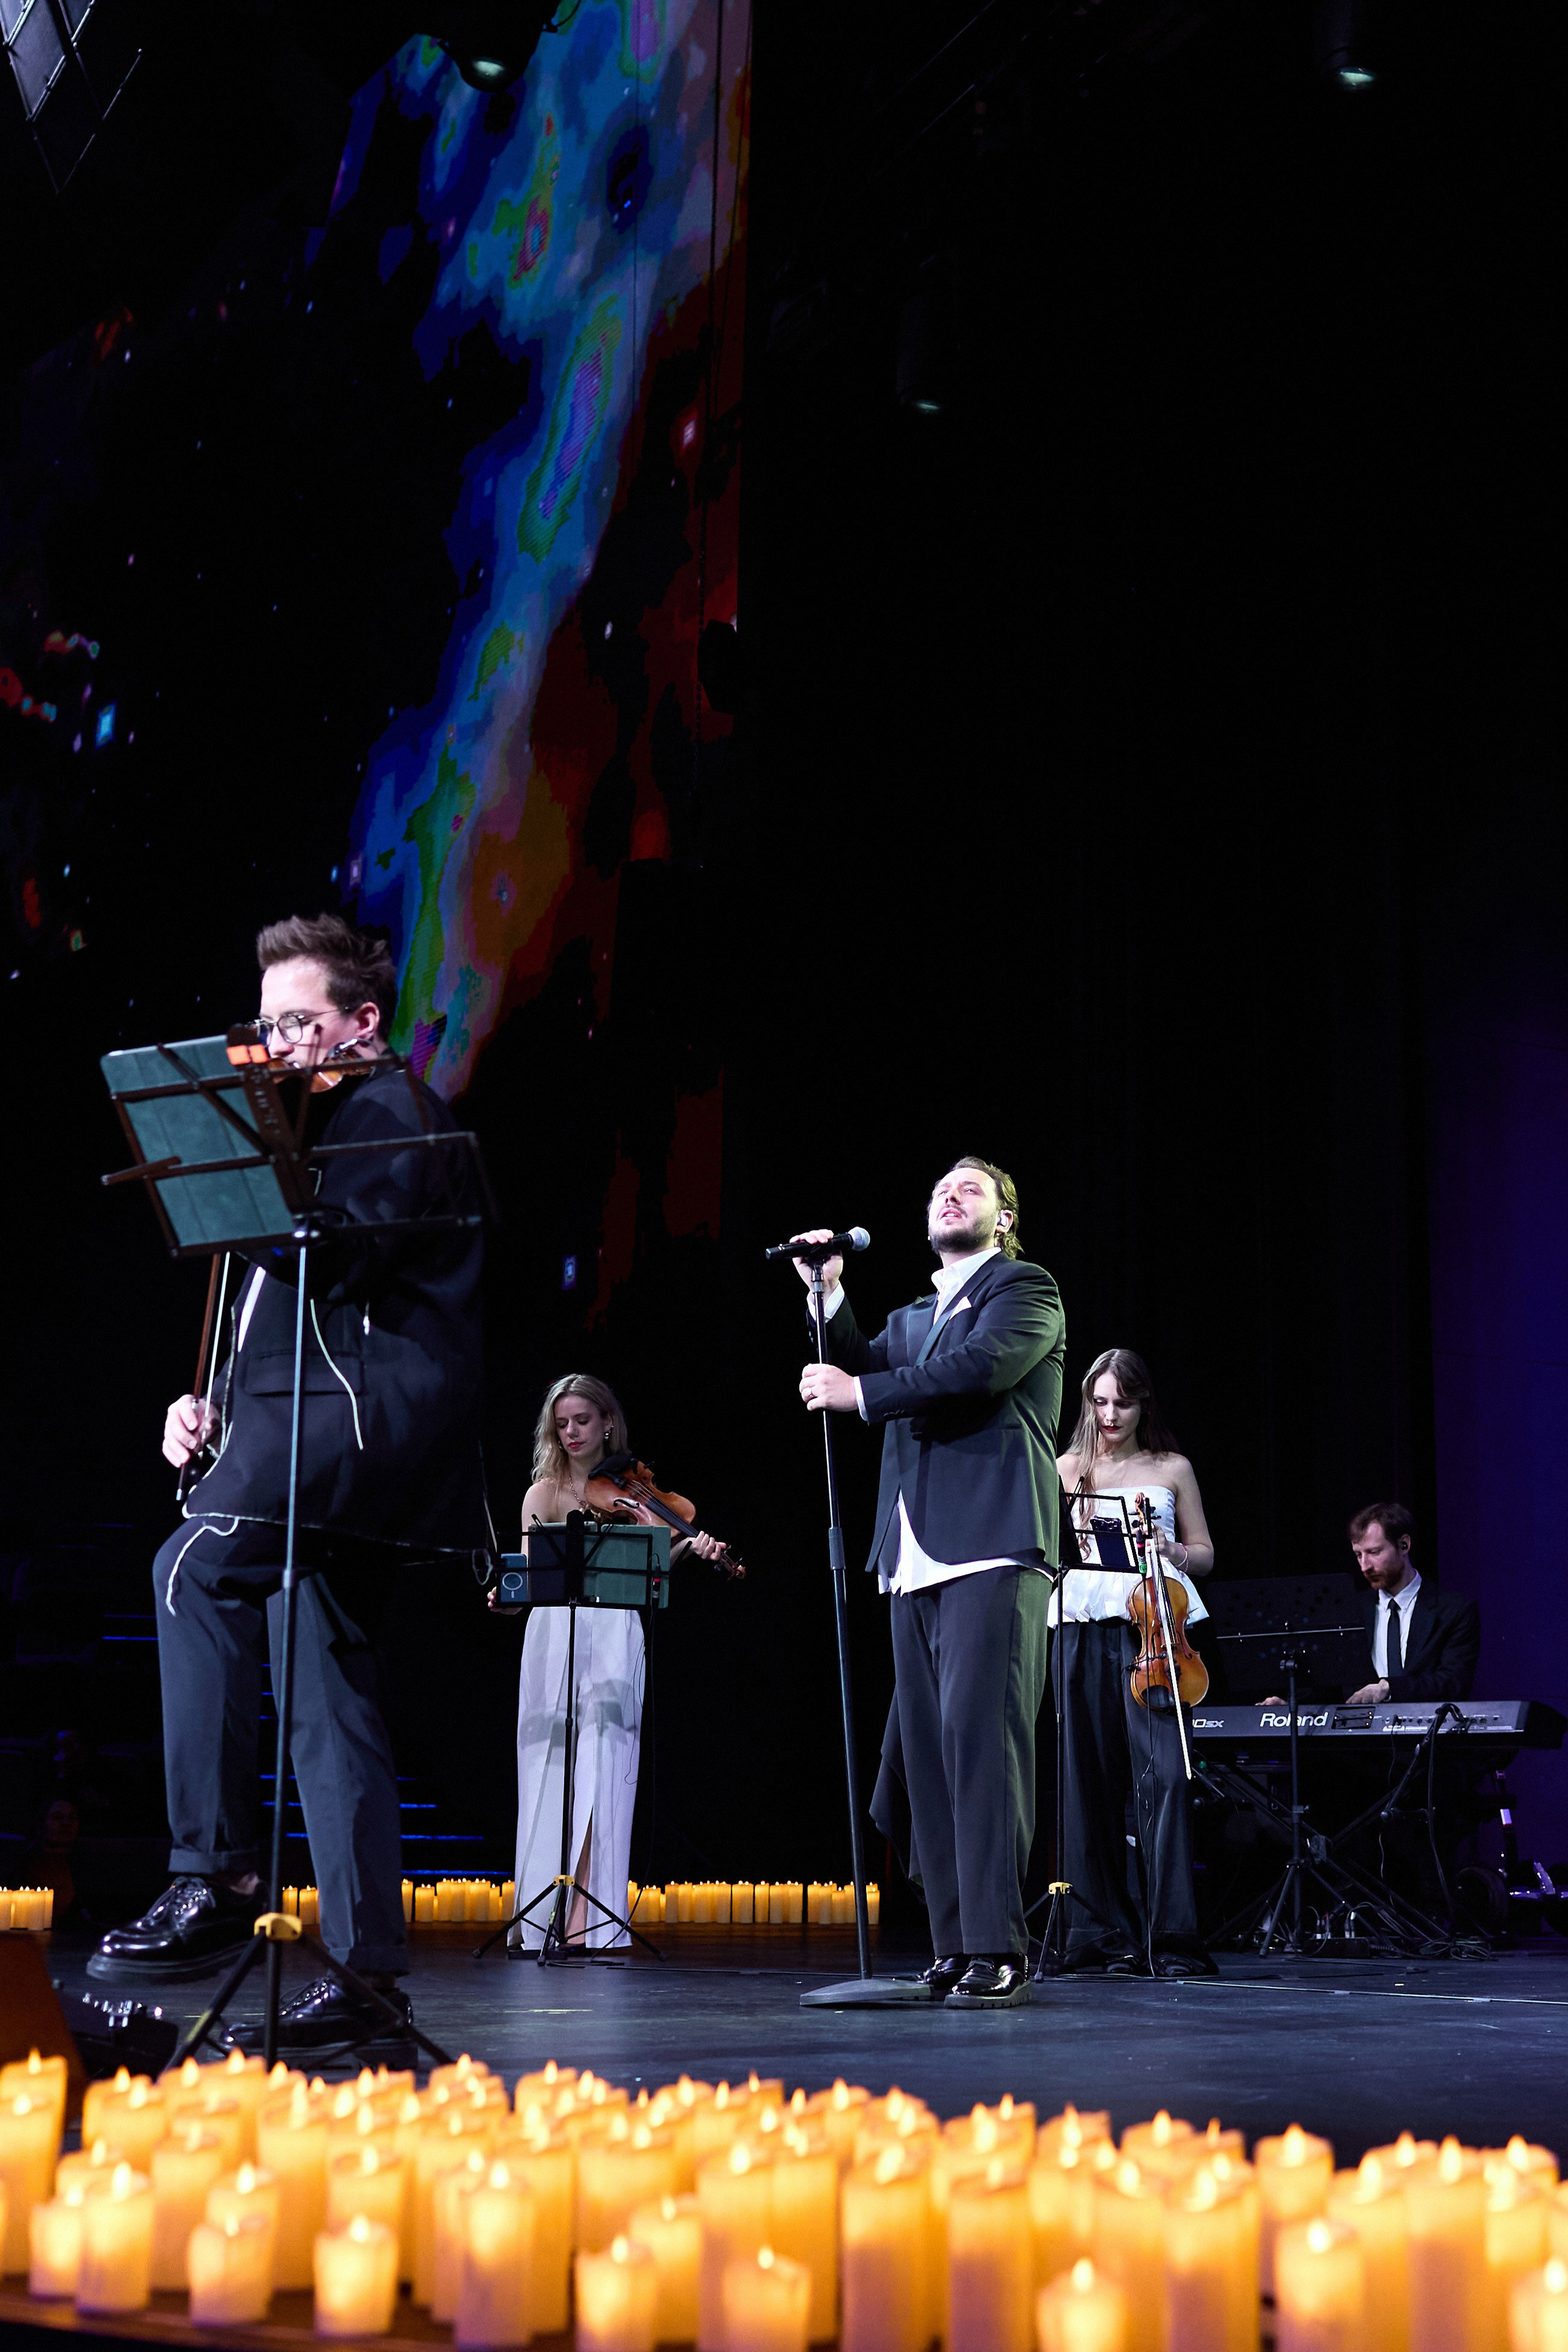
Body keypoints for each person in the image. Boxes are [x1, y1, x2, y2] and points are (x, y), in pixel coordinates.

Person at [86, 913, 491, 2060]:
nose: (276, 1045)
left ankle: (213, 1873)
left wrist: (251, 1185)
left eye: (299, 1022)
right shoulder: (311, 1133)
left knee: (189, 1572)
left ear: (362, 1022)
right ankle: (369, 1979)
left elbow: (343, 1255)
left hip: (353, 1431)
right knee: (329, 1696)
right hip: (305, 1433)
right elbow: (279, 1308)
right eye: (265, 1025)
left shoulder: (392, 1111)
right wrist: (205, 1401)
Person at [794, 1156, 1065, 2010]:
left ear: (1005, 1218)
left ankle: (999, 1947)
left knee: (985, 1751)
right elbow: (861, 1361)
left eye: (970, 1188)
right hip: (910, 1555)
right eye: (940, 1189)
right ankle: (953, 1945)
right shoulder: (914, 1316)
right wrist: (827, 1293)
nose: (950, 1195)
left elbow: (977, 1371)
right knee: (930, 1759)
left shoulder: (1024, 1290)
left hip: (990, 1542)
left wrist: (859, 1391)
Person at [496, 1376, 726, 1948]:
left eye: (582, 1420)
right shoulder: (542, 1495)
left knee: (607, 1765)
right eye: (562, 1424)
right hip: (554, 1634)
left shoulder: (638, 1495)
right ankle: (541, 1913)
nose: (571, 1433)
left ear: (607, 1423)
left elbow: (651, 1573)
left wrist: (687, 1548)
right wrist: (508, 1597)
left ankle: (587, 1919)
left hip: (616, 1631)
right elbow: (532, 1579)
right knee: (547, 1765)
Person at [1054, 1346, 1216, 1977]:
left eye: (1122, 1402)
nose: (1110, 1414)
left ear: (1143, 1403)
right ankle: (1100, 1935)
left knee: (1166, 1779)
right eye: (1099, 1402)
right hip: (1078, 1628)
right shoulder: (1066, 1468)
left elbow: (1205, 1554)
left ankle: (1170, 1938)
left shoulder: (1172, 1467)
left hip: (1154, 1633)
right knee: (1085, 1786)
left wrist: (1172, 1550)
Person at [1344, 1502, 1479, 1704]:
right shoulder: (1353, 1610)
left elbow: (1454, 1683)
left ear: (1404, 1545)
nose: (1365, 1566)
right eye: (1358, 1555)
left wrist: (1389, 1688)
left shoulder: (1455, 1611)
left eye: (1374, 1552)